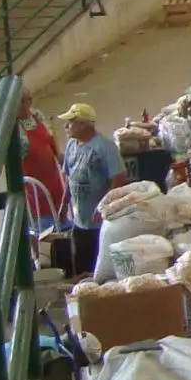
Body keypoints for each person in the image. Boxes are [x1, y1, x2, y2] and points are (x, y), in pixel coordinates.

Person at [59, 103, 126, 278]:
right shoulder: (71, 145)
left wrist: (103, 206)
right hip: (80, 221)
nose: (66, 127)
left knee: (99, 270)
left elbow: (119, 177)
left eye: (70, 122)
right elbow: (69, 176)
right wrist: (63, 203)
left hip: (100, 223)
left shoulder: (105, 147)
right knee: (81, 268)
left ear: (83, 124)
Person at [18, 90, 68, 229]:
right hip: (34, 185)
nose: (27, 104)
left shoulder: (37, 117)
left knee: (59, 212)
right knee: (43, 224)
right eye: (20, 101)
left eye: (27, 100)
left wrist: (60, 157)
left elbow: (50, 139)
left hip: (53, 179)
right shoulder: (15, 129)